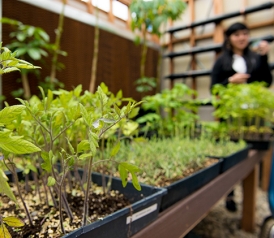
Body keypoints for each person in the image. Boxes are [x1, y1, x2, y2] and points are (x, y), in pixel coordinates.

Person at [210, 22, 273, 212]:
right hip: (231, 114)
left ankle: (250, 195)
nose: (242, 38)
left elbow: (266, 82)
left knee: (250, 155)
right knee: (231, 153)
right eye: (237, 34)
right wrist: (230, 80)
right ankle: (230, 194)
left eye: (245, 34)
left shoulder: (255, 58)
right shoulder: (222, 61)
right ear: (229, 38)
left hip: (252, 113)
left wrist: (264, 57)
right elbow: (214, 87)